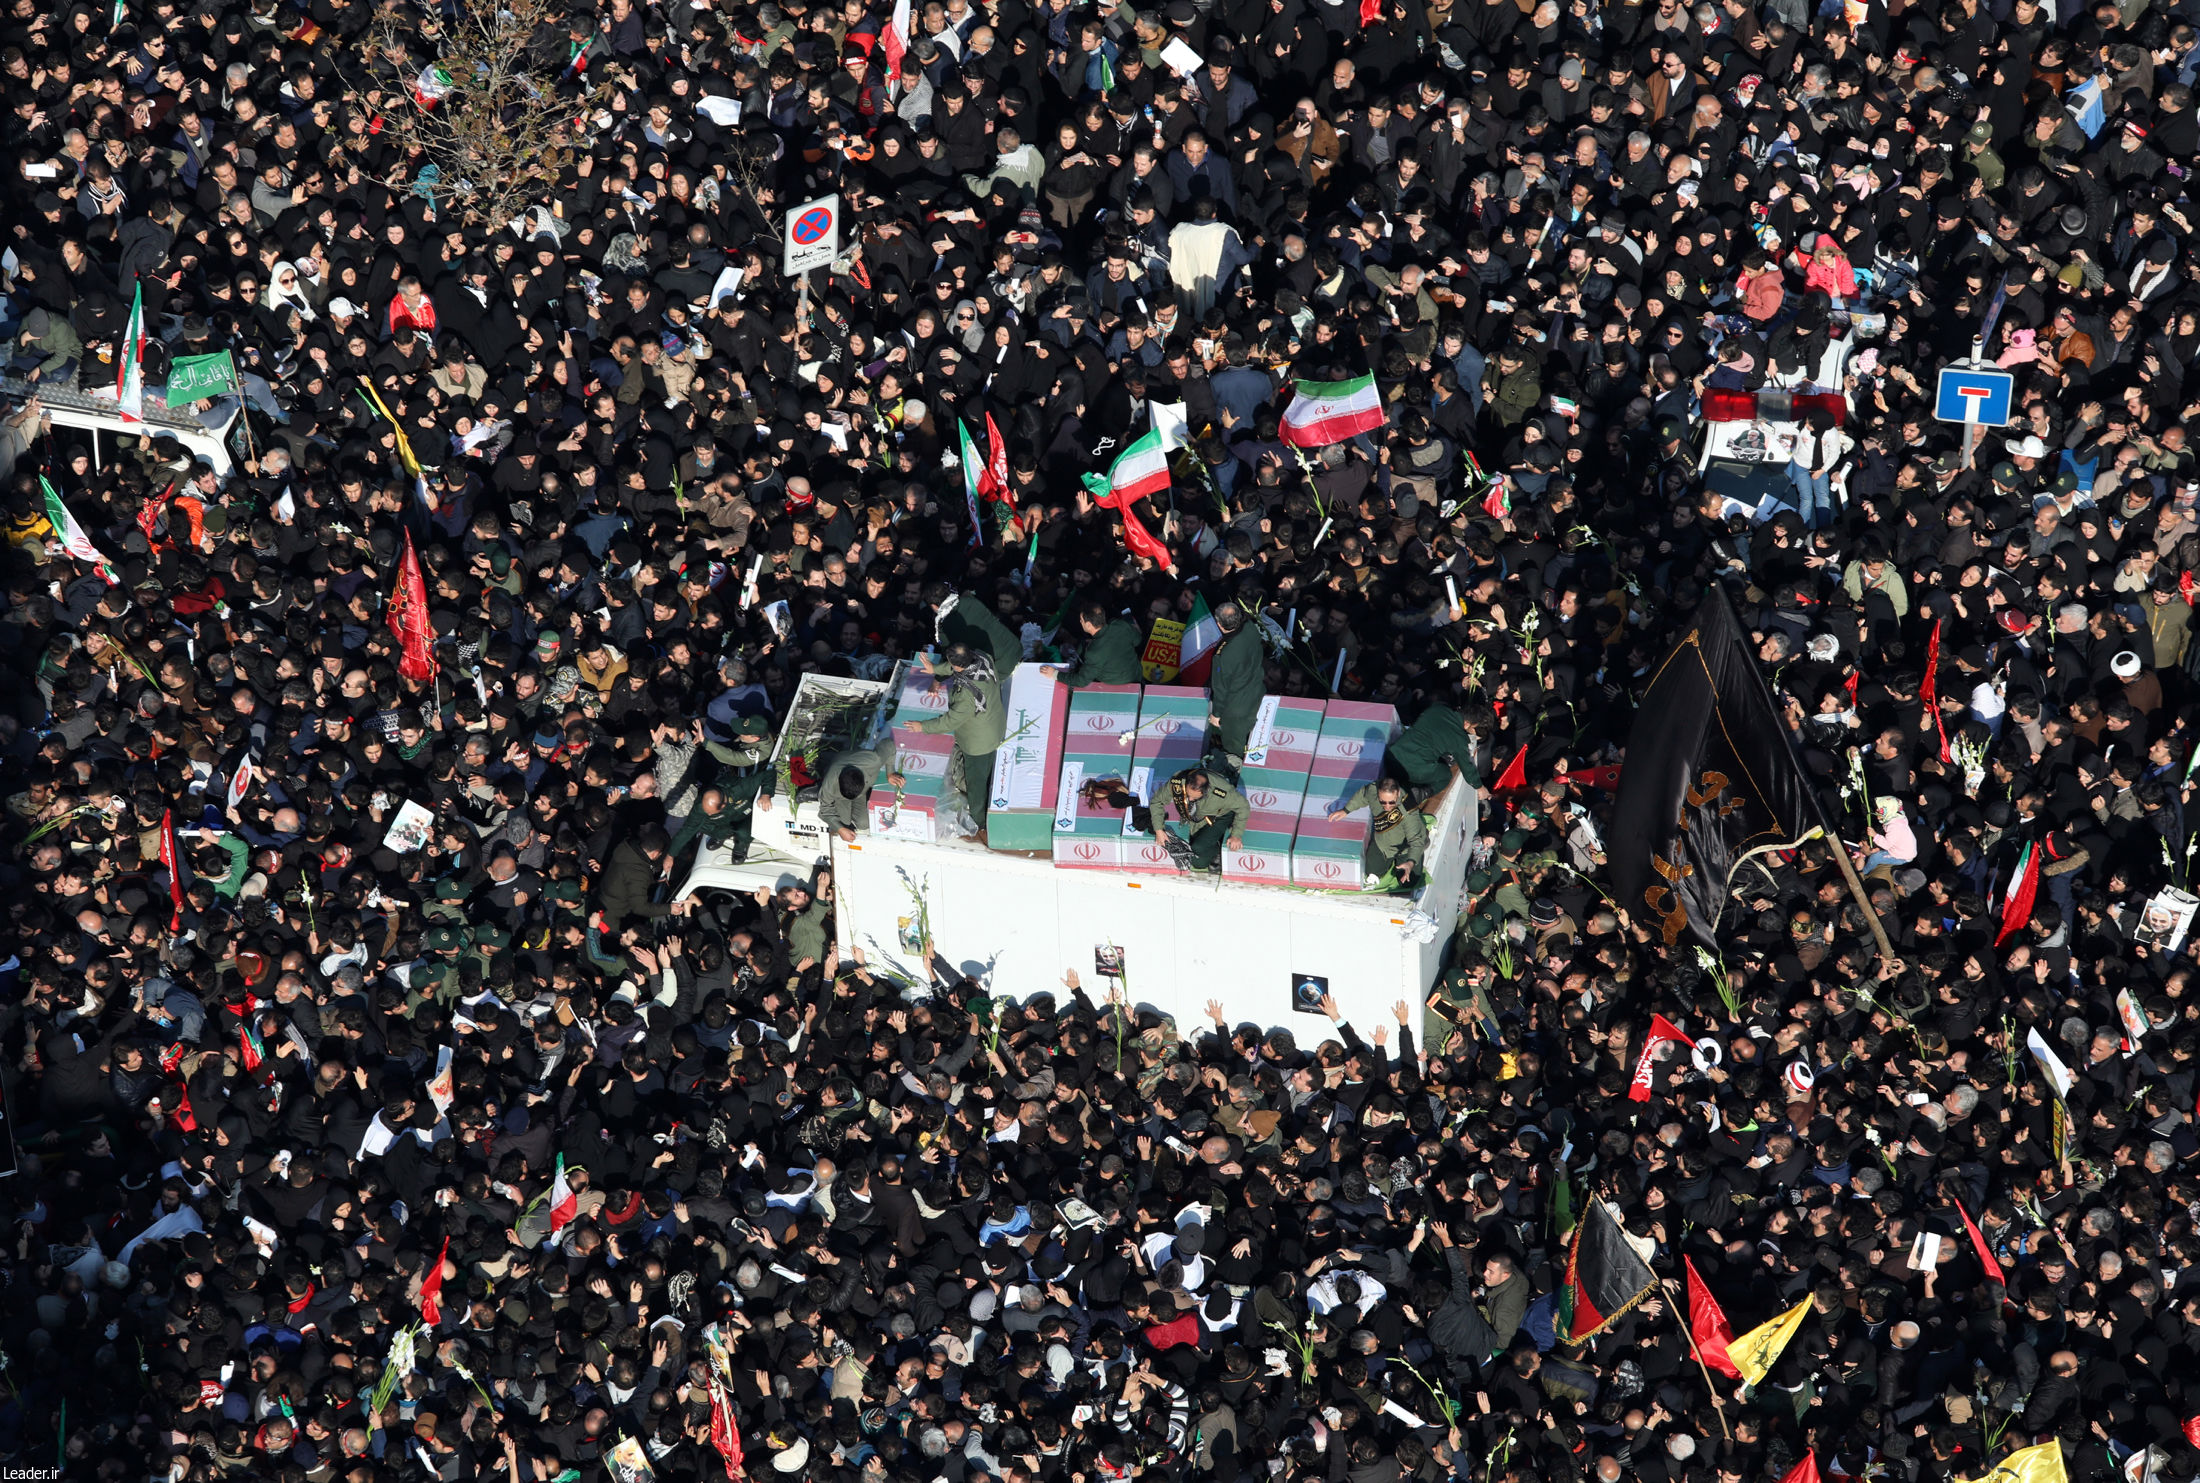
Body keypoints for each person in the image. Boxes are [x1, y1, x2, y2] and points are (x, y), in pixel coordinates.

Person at [907, 644, 1006, 834]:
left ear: (956, 665)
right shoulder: (982, 657)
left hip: (979, 742)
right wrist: (935, 669)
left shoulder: (968, 694)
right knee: (984, 770)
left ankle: (980, 822)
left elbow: (950, 721)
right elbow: (955, 666)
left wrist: (922, 727)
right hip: (993, 724)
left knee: (976, 783)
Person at [1329, 775, 1427, 889]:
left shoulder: (1409, 811)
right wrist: (1346, 810)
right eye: (1383, 802)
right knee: (1370, 873)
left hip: (1405, 849)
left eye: (1391, 802)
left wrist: (1411, 862)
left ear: (1398, 793)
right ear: (1378, 794)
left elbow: (1416, 840)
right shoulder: (1372, 790)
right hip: (1382, 844)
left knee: (1409, 882)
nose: (1387, 806)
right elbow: (1362, 795)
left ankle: (1418, 852)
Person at [1204, 601, 1265, 764]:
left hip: (1235, 710)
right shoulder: (1250, 628)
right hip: (1258, 692)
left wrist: (1216, 715)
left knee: (1233, 751)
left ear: (1218, 624)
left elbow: (1221, 689)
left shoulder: (1224, 654)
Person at [1159, 764, 1250, 871]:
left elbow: (1243, 806)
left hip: (1220, 815)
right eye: (1189, 795)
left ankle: (1217, 848)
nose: (1191, 799)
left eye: (1194, 797)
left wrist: (1236, 835)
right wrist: (1158, 829)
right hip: (1199, 817)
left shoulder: (1222, 792)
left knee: (1197, 848)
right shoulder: (1179, 780)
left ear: (1206, 790)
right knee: (1198, 862)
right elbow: (1157, 801)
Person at [1041, 600, 1145, 688]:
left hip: (1117, 685)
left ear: (1088, 624)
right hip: (1137, 676)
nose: (1080, 622)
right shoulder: (1120, 625)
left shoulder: (1093, 653)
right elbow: (1138, 641)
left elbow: (1081, 681)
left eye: (1081, 620)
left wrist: (1055, 674)